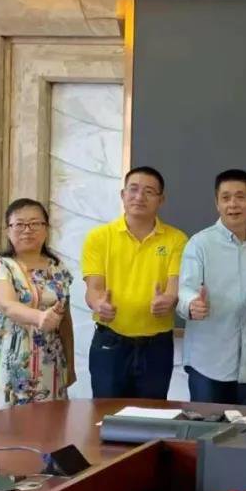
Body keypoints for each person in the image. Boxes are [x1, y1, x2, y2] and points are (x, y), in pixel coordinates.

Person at [82, 166, 187, 400]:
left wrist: (168, 300)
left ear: (161, 199)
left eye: (149, 192)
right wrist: (99, 304)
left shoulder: (176, 239)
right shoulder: (99, 237)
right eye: (133, 189)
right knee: (105, 413)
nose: (139, 197)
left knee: (152, 414)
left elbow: (174, 286)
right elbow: (93, 289)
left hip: (156, 345)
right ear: (123, 195)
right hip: (110, 341)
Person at [177, 169, 246, 404]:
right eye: (226, 198)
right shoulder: (200, 244)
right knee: (206, 426)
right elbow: (185, 289)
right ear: (217, 204)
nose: (233, 204)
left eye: (240, 197)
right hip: (207, 361)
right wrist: (192, 304)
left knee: (243, 426)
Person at [0, 198, 75, 413]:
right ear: (8, 230)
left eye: (35, 223)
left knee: (50, 426)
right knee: (7, 428)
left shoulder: (58, 268)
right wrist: (39, 318)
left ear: (46, 229)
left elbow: (65, 321)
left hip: (51, 365)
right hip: (10, 365)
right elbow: (7, 305)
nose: (27, 230)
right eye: (19, 224)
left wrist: (70, 364)